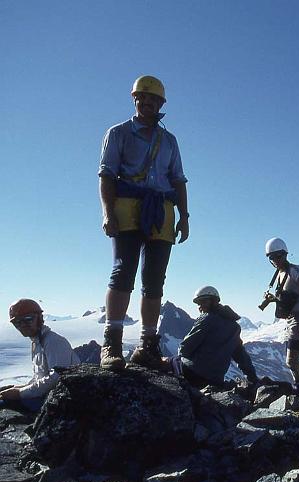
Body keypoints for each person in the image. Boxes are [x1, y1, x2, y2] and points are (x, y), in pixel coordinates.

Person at [97, 75, 190, 370]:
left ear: (161, 104)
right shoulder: (118, 133)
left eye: (153, 99)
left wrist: (185, 216)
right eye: (143, 98)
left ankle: (147, 346)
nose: (148, 102)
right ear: (135, 99)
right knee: (123, 269)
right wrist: (107, 212)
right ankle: (111, 344)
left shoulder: (169, 140)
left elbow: (178, 179)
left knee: (154, 278)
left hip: (162, 209)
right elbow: (107, 175)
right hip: (127, 206)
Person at [168, 286, 258, 388]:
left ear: (214, 301)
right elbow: (241, 357)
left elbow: (184, 349)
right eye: (199, 303)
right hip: (216, 379)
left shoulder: (207, 319)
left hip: (192, 374)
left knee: (168, 362)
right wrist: (252, 378)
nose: (200, 306)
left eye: (203, 302)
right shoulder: (234, 327)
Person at [1, 299, 79, 411]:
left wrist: (20, 393)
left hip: (59, 401)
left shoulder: (53, 341)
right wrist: (21, 388)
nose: (22, 325)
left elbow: (57, 378)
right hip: (47, 397)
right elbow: (40, 376)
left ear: (40, 318)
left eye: (28, 319)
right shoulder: (37, 342)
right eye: (17, 322)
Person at [262, 237, 299, 394]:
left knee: (292, 361)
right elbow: (288, 298)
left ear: (285, 254)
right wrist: (273, 299)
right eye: (271, 258)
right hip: (291, 320)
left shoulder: (295, 271)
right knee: (292, 360)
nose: (275, 260)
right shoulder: (279, 274)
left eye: (278, 256)